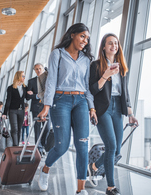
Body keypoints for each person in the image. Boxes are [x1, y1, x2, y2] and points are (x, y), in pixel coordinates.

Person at [37, 23, 97, 195]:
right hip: (60, 100)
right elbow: (51, 81)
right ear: (72, 35)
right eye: (82, 36)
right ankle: (46, 168)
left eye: (87, 38)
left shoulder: (86, 59)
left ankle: (80, 190)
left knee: (82, 146)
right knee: (62, 146)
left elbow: (86, 86)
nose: (85, 41)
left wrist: (91, 108)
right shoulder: (58, 54)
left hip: (81, 101)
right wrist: (46, 106)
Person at [88, 33, 138, 195]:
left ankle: (94, 166)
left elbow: (125, 92)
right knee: (110, 145)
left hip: (118, 108)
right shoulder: (96, 66)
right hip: (103, 109)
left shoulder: (121, 66)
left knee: (116, 150)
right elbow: (93, 90)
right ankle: (111, 186)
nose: (114, 46)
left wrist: (130, 113)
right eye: (110, 43)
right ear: (103, 46)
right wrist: (105, 75)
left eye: (116, 43)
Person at [26, 63, 51, 156]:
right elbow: (28, 96)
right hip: (36, 107)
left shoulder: (48, 80)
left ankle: (43, 145)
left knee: (47, 128)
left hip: (47, 107)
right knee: (37, 128)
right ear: (34, 70)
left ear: (43, 69)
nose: (38, 70)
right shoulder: (31, 81)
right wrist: (35, 95)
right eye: (36, 69)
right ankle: (39, 148)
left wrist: (36, 94)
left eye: (40, 68)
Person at [2, 71, 28, 146]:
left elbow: (27, 97)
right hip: (12, 110)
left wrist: (35, 95)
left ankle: (17, 145)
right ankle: (15, 146)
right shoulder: (10, 88)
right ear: (18, 77)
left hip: (21, 111)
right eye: (22, 76)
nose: (24, 78)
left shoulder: (25, 87)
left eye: (24, 76)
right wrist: (4, 113)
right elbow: (8, 100)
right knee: (14, 129)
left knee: (19, 129)